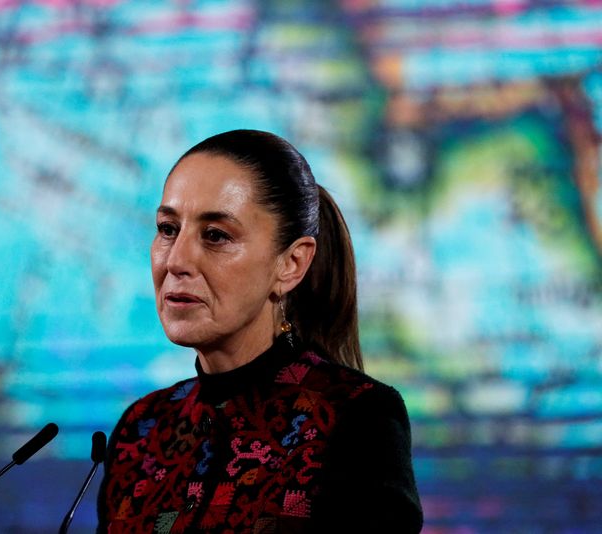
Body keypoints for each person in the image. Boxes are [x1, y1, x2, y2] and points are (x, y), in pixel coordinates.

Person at [96, 130, 423, 533]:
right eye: (167, 229)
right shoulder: (140, 430)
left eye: (215, 235)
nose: (176, 260)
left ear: (291, 264)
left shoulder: (357, 419)